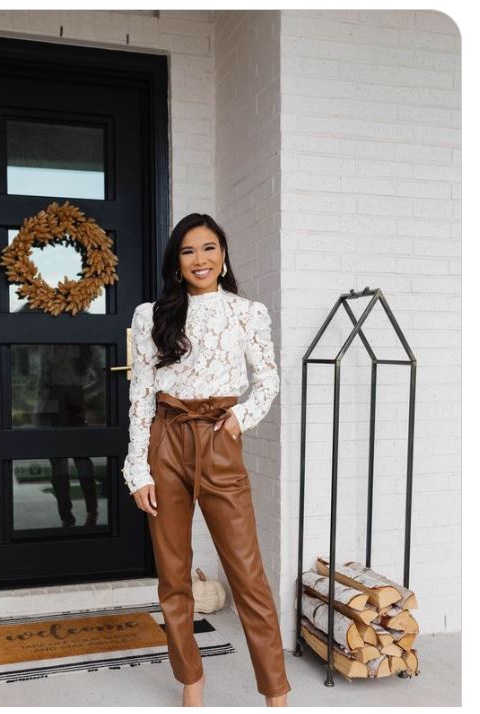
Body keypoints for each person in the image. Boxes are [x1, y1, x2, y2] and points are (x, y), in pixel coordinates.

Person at [122, 213, 291, 707]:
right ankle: (191, 681)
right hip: (167, 441)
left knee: (247, 574)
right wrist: (139, 468)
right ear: (177, 262)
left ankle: (275, 692)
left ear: (223, 254)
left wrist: (241, 417)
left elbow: (268, 379)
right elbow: (141, 396)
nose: (201, 259)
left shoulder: (247, 312)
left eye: (210, 248)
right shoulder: (151, 315)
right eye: (189, 251)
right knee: (173, 575)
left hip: (219, 440)